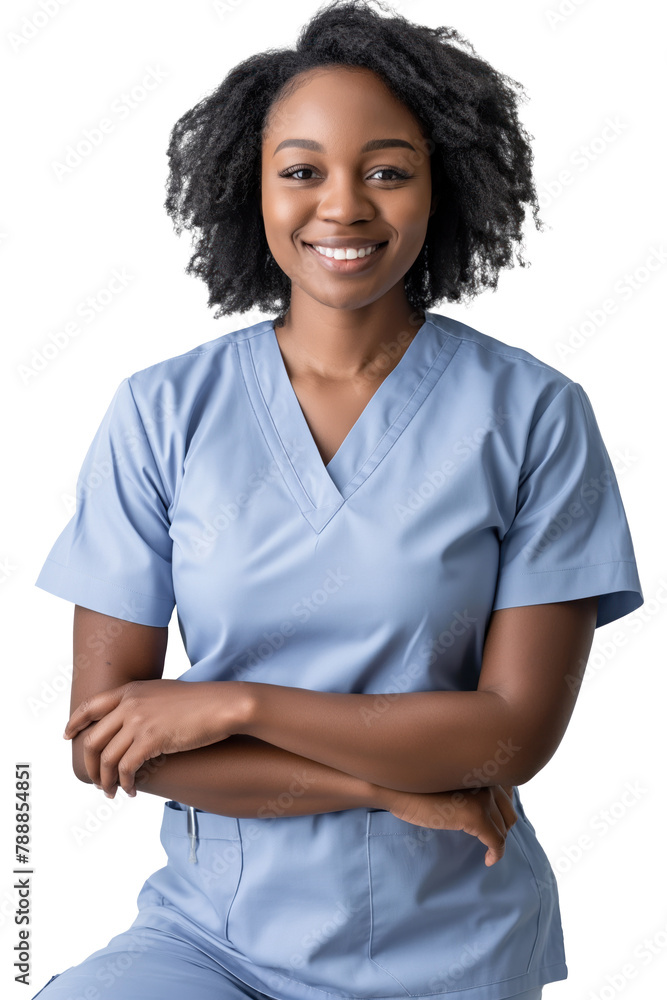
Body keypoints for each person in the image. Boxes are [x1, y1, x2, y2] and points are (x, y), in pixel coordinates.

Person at [32, 1, 643, 998]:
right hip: (209, 938)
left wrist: (231, 701)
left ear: (442, 187)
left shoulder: (533, 414)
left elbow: (509, 736)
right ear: (253, 187)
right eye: (303, 169)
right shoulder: (162, 411)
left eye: (387, 170)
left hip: (450, 945)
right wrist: (377, 784)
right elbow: (114, 741)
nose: (344, 205)